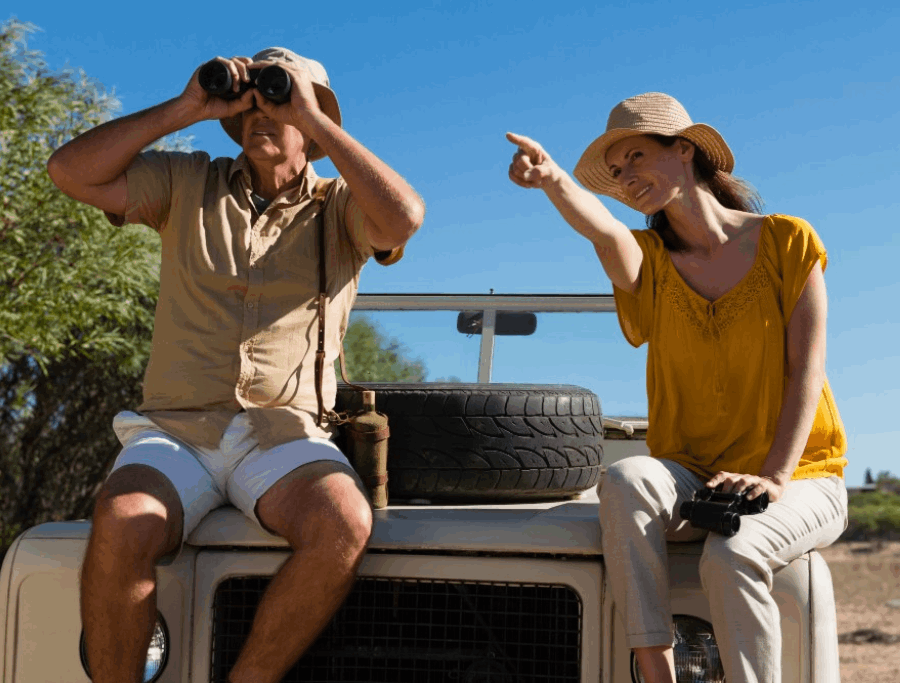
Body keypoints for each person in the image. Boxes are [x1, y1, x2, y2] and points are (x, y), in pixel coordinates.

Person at [47, 47, 424, 683]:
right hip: (177, 432)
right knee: (120, 518)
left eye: (278, 98)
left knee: (343, 522)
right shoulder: (186, 181)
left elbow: (403, 217)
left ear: (311, 118)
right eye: (250, 99)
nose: (261, 112)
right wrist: (188, 106)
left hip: (283, 434)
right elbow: (69, 172)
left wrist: (314, 114)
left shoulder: (339, 206)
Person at [506, 92, 848, 683]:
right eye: (616, 171)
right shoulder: (650, 263)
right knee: (624, 477)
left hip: (804, 473)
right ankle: (654, 667)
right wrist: (554, 180)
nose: (626, 176)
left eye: (636, 156)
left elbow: (806, 370)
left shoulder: (787, 241)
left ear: (684, 149)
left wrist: (773, 477)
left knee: (733, 553)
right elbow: (605, 233)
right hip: (693, 473)